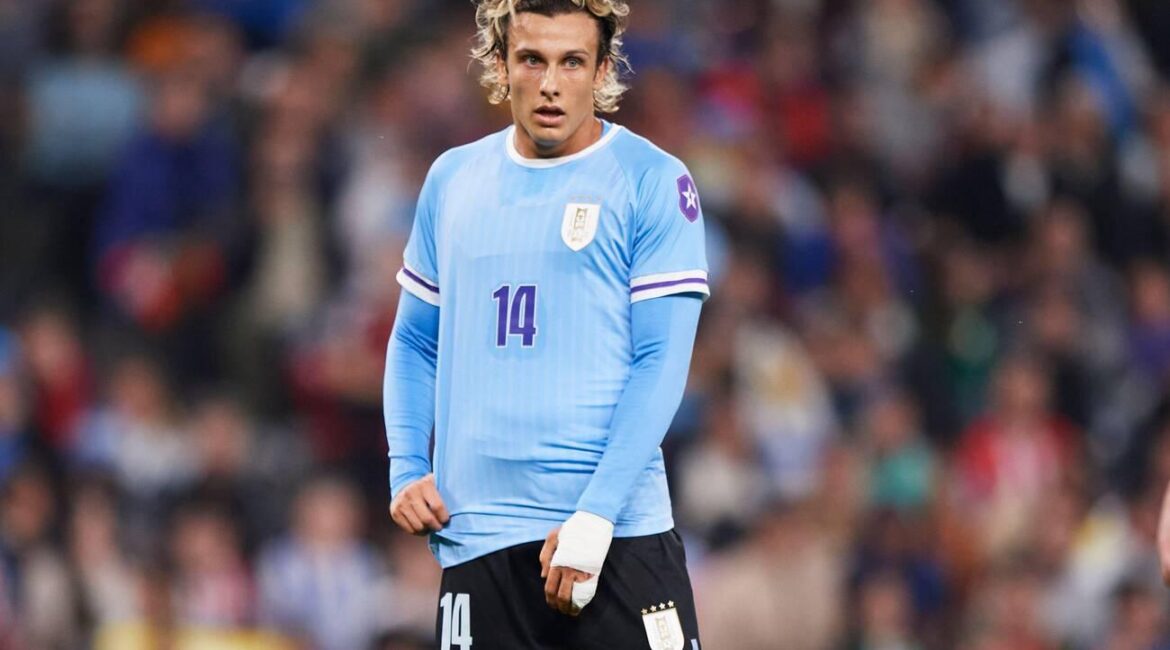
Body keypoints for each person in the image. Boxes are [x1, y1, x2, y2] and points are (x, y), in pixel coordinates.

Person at [382, 1, 708, 647]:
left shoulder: (651, 180)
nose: (552, 83)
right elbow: (416, 338)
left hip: (615, 540)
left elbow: (662, 361)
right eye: (532, 59)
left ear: (603, 70)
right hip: (476, 542)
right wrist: (405, 466)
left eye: (572, 62)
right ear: (502, 66)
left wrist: (595, 516)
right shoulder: (452, 180)